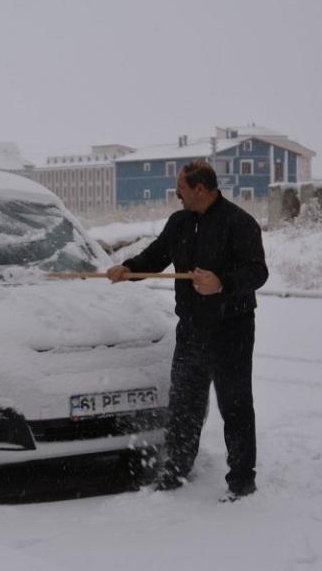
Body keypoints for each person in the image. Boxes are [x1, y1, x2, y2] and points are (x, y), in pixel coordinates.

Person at [108, 159, 268, 501]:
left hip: (232, 329)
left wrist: (221, 283)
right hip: (192, 329)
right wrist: (129, 268)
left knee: (235, 406)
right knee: (183, 404)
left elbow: (257, 273)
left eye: (180, 188)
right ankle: (176, 471)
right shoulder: (179, 222)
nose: (176, 194)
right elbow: (156, 255)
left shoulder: (240, 223)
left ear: (200, 189)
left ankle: (242, 480)